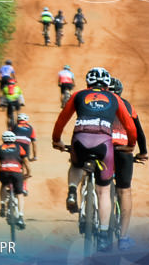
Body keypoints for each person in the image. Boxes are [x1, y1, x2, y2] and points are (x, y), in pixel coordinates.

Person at [52, 67, 136, 253]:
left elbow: (62, 119)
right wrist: (131, 144)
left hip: (80, 139)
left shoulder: (78, 95)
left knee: (75, 164)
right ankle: (104, 236)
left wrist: (56, 140)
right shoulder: (114, 98)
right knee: (103, 190)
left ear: (88, 82)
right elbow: (130, 125)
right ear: (107, 84)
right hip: (104, 144)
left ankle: (73, 190)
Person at [109, 77, 148, 251]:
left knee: (101, 184)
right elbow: (139, 132)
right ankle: (123, 238)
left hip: (103, 148)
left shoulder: (99, 105)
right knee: (124, 191)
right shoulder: (128, 106)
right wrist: (143, 152)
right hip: (123, 150)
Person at [0, 131, 31, 227]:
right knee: (20, 194)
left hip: (4, 172)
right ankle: (20, 217)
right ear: (14, 139)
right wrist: (28, 173)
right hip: (17, 173)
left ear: (3, 139)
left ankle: (2, 205)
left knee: (3, 185)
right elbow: (26, 162)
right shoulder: (19, 148)